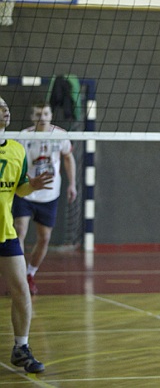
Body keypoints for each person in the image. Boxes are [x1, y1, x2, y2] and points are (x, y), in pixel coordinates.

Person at [0, 97, 53, 373]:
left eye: (6, 107)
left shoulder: (16, 150)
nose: (5, 111)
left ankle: (21, 348)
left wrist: (31, 185)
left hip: (5, 232)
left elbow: (18, 188)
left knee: (21, 289)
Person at [11, 103, 76, 296]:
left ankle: (30, 274)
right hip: (26, 191)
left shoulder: (60, 135)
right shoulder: (24, 136)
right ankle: (19, 277)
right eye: (38, 114)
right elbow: (17, 163)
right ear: (33, 117)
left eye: (46, 113)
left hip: (49, 195)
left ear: (51, 115)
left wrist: (72, 184)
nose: (43, 117)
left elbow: (68, 158)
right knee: (19, 231)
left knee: (44, 238)